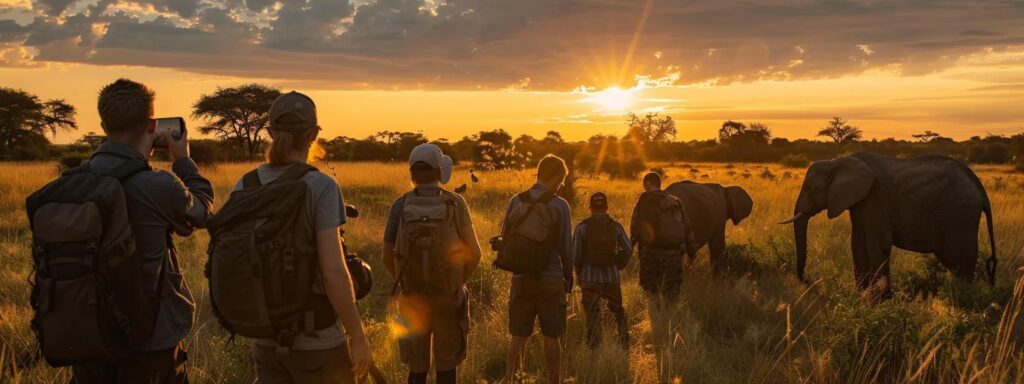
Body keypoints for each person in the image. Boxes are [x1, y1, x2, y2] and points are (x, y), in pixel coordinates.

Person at [70, 78, 213, 383]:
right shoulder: (157, 185)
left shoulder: (73, 182)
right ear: (152, 126)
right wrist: (183, 161)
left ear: (103, 124)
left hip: (86, 333)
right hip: (151, 336)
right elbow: (203, 212)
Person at [227, 91, 373, 383]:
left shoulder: (245, 184)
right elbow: (333, 272)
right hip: (317, 339)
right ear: (313, 134)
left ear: (270, 132)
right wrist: (357, 335)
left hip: (266, 339)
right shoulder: (320, 186)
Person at [382, 143, 483, 384]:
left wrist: (406, 285)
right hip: (448, 297)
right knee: (447, 367)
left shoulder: (400, 205)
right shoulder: (456, 203)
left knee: (416, 369)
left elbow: (387, 255)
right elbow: (475, 253)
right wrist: (455, 282)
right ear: (440, 171)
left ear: (412, 173)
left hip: (412, 298)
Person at [501, 154, 573, 384]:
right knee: (552, 337)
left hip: (521, 278)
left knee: (518, 336)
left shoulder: (516, 200)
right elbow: (566, 246)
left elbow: (505, 238)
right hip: (551, 279)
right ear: (557, 178)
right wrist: (568, 276)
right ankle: (554, 381)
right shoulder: (560, 205)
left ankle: (512, 379)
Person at [573, 192, 632, 349]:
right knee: (617, 311)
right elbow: (628, 249)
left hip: (589, 279)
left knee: (592, 316)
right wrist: (618, 265)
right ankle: (624, 343)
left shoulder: (582, 227)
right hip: (611, 277)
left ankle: (594, 348)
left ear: (590, 208)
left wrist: (579, 274)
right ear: (606, 207)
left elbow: (576, 255)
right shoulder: (616, 226)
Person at [630, 172, 696, 303]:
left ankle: (655, 319)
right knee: (671, 292)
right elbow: (687, 229)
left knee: (651, 292)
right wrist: (692, 254)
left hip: (649, 254)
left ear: (648, 184)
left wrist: (629, 250)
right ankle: (670, 318)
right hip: (673, 255)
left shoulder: (642, 201)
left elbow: (634, 230)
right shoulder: (675, 201)